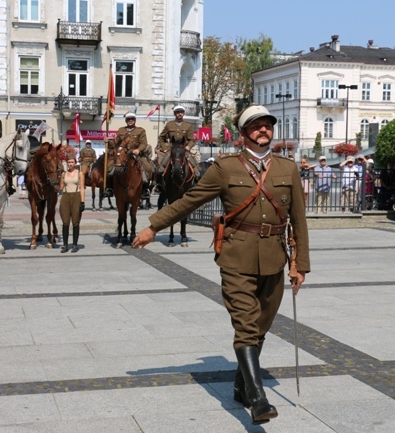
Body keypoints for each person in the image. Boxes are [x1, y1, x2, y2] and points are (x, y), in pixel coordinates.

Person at [132, 105, 310, 425]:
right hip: (236, 257)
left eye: (267, 125)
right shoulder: (226, 168)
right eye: (255, 126)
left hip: (274, 257)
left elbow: (299, 220)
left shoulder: (287, 169)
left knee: (261, 326)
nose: (263, 130)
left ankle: (242, 384)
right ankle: (258, 399)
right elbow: (190, 200)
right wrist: (153, 226)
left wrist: (300, 265)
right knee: (245, 323)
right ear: (243, 135)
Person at [103, 112, 152, 197]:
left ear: (135, 120)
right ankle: (109, 187)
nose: (130, 120)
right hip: (123, 154)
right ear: (126, 120)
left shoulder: (140, 130)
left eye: (132, 119)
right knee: (109, 167)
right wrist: (108, 141)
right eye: (128, 119)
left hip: (135, 154)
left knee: (147, 167)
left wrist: (138, 150)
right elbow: (116, 142)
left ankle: (145, 189)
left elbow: (144, 143)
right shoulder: (121, 130)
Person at [156, 105, 200, 181]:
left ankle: (196, 184)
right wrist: (165, 148)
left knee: (196, 168)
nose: (179, 114)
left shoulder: (188, 126)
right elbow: (161, 137)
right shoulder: (169, 125)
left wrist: (188, 147)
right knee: (161, 168)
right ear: (175, 114)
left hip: (184, 149)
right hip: (172, 149)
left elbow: (192, 139)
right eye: (177, 112)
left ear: (183, 113)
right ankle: (158, 185)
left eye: (181, 112)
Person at [59, 154, 85, 253]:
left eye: (72, 162)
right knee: (65, 222)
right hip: (65, 197)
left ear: (75, 162)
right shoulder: (64, 174)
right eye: (69, 162)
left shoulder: (80, 173)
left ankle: (74, 244)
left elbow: (82, 188)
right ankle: (65, 245)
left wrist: (82, 202)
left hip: (76, 196)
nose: (70, 164)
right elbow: (61, 187)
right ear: (66, 163)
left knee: (75, 221)